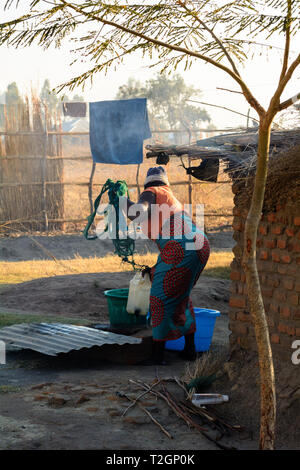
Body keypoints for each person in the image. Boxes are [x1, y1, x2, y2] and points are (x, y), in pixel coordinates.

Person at [124, 166, 210, 365]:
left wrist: (119, 199)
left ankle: (157, 356)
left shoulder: (152, 192)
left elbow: (138, 213)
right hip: (199, 245)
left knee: (158, 299)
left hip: (181, 248)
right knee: (180, 296)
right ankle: (190, 350)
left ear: (147, 184)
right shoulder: (170, 197)